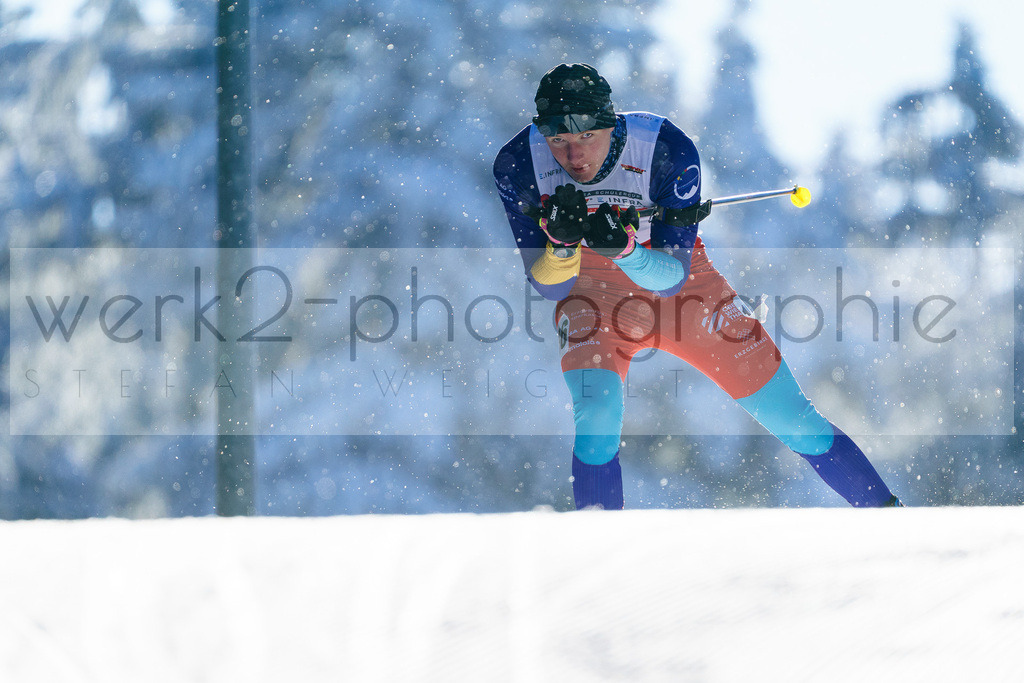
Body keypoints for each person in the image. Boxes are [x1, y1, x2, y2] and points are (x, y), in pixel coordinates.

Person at [492, 62, 903, 510]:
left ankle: (890, 517)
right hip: (590, 297)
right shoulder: (519, 164)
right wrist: (562, 246)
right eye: (559, 140)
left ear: (611, 124)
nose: (574, 157)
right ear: (542, 134)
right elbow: (550, 286)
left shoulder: (664, 148)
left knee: (794, 419)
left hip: (685, 292)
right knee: (596, 421)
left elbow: (671, 279)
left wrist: (626, 251)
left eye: (587, 136)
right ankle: (599, 552)